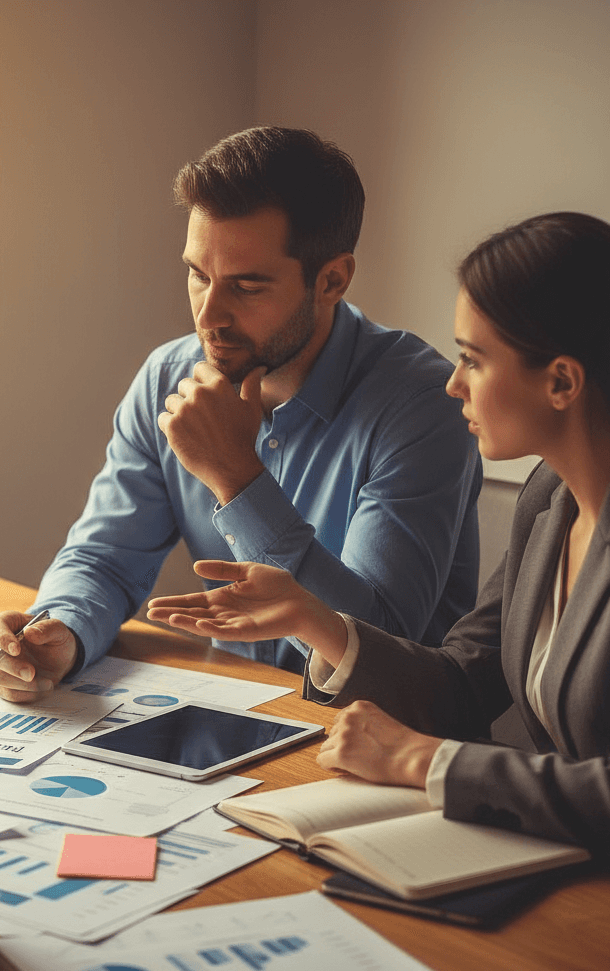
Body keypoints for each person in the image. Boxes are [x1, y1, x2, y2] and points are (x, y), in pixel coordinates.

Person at [148, 211, 610, 855]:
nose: (454, 383)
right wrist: (315, 620)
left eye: (473, 360)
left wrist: (429, 761)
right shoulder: (549, 500)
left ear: (561, 381)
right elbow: (464, 684)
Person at [0, 126, 481, 702]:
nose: (207, 317)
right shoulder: (167, 378)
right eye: (199, 275)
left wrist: (236, 479)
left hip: (383, 733)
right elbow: (106, 560)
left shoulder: (422, 404)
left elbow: (376, 646)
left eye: (246, 287)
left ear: (332, 280)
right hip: (235, 710)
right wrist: (61, 631)